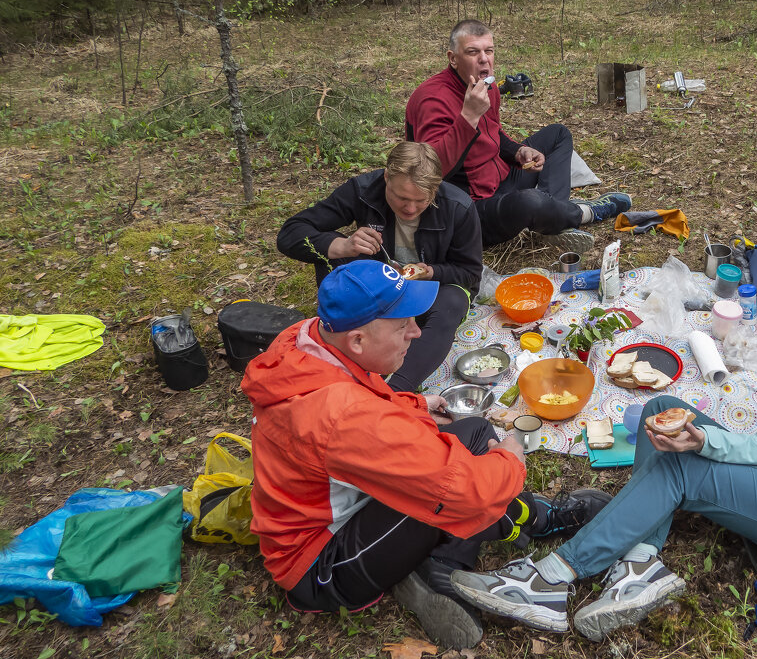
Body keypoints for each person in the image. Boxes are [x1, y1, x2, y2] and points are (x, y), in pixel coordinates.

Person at [448, 230, 757, 641]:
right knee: (661, 410)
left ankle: (550, 579)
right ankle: (640, 565)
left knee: (682, 464)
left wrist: (709, 443)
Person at [241, 262, 610, 648]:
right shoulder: (344, 416)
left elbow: (355, 395)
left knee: (476, 431)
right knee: (453, 487)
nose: (416, 333)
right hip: (322, 564)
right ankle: (481, 547)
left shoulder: (307, 340)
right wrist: (512, 458)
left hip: (350, 504)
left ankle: (448, 552)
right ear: (357, 340)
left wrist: (415, 404)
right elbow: (463, 489)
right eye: (403, 326)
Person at [405, 19, 631, 252]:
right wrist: (468, 117)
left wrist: (518, 151)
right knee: (531, 202)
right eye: (473, 52)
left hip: (500, 180)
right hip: (468, 206)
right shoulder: (431, 99)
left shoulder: (487, 87)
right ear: (453, 58)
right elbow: (430, 172)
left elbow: (494, 135)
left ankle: (551, 215)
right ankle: (582, 213)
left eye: (489, 51)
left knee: (558, 134)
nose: (484, 59)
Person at [276, 141, 480, 391]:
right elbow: (290, 234)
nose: (410, 208)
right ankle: (339, 356)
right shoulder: (363, 190)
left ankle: (396, 390)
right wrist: (342, 245)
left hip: (430, 290)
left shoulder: (458, 206)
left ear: (435, 190)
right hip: (378, 283)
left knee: (454, 301)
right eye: (401, 198)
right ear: (386, 178)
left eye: (422, 201)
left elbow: (470, 273)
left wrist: (430, 272)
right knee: (333, 256)